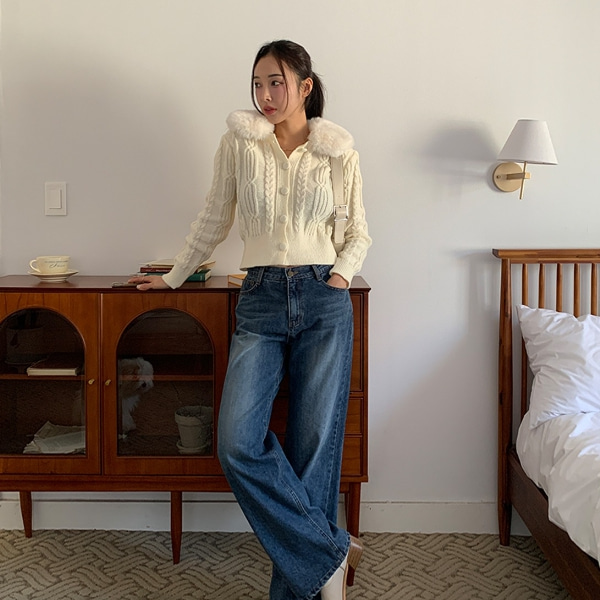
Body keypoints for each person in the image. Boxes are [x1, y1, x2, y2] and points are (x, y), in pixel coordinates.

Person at [129, 39, 371, 600]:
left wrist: (338, 278)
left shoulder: (339, 151)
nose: (265, 94)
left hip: (323, 298)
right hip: (259, 298)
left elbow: (359, 232)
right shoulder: (239, 144)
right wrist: (173, 277)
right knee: (237, 442)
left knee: (314, 448)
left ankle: (308, 587)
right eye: (258, 84)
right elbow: (214, 216)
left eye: (276, 82)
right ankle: (332, 552)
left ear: (305, 86)